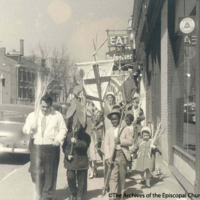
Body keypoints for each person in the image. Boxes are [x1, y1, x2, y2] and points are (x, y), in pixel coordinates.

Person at [23, 95, 67, 200]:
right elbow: (24, 129)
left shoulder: (57, 115)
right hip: (36, 147)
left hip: (51, 147)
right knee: (35, 172)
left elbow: (63, 129)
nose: (44, 109)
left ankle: (47, 196)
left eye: (47, 107)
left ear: (51, 106)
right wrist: (30, 128)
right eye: (42, 107)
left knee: (50, 172)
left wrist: (58, 139)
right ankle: (39, 191)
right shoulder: (32, 115)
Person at [104, 108, 133, 199]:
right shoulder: (108, 131)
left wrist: (120, 140)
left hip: (122, 155)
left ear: (119, 119)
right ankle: (112, 195)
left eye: (116, 119)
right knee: (113, 176)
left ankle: (120, 194)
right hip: (113, 155)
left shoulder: (125, 129)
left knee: (122, 175)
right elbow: (106, 145)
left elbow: (130, 141)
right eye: (112, 119)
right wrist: (108, 157)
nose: (114, 121)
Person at [62, 118, 91, 200]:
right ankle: (73, 192)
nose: (76, 128)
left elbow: (85, 146)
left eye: (78, 126)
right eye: (74, 125)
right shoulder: (68, 135)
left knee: (81, 179)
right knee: (70, 176)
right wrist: (68, 155)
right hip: (71, 160)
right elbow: (65, 147)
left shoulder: (86, 136)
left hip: (81, 160)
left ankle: (80, 195)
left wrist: (76, 142)